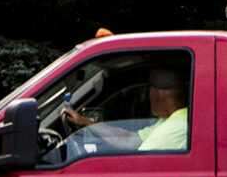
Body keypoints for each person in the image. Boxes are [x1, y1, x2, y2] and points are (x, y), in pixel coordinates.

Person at [56, 62, 190, 156]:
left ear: (154, 94)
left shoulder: (177, 127)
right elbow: (129, 139)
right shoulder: (174, 120)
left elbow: (138, 164)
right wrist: (86, 122)